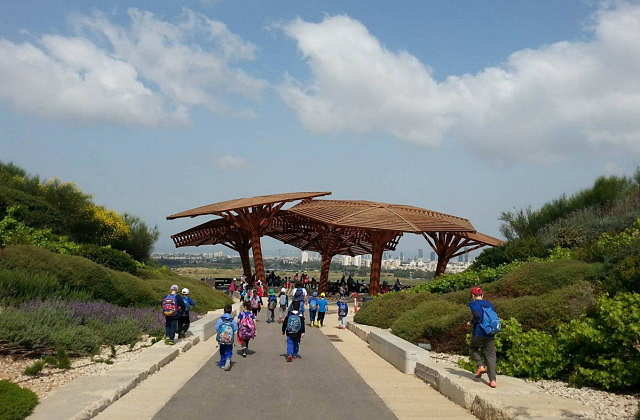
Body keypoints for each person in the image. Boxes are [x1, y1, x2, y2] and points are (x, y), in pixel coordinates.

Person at [468, 287, 498, 388]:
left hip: (479, 332)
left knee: (473, 349)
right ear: (482, 295)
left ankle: (480, 366)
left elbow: (478, 317)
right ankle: (493, 381)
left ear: (472, 296)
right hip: (490, 331)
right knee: (490, 356)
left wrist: (471, 322)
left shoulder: (473, 304)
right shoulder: (489, 303)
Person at [215, 304, 238, 370]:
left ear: (224, 311)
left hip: (221, 339)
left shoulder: (220, 319)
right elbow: (235, 328)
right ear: (231, 311)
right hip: (229, 339)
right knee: (229, 349)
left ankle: (222, 363)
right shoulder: (232, 320)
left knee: (222, 350)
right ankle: (228, 358)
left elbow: (216, 328)